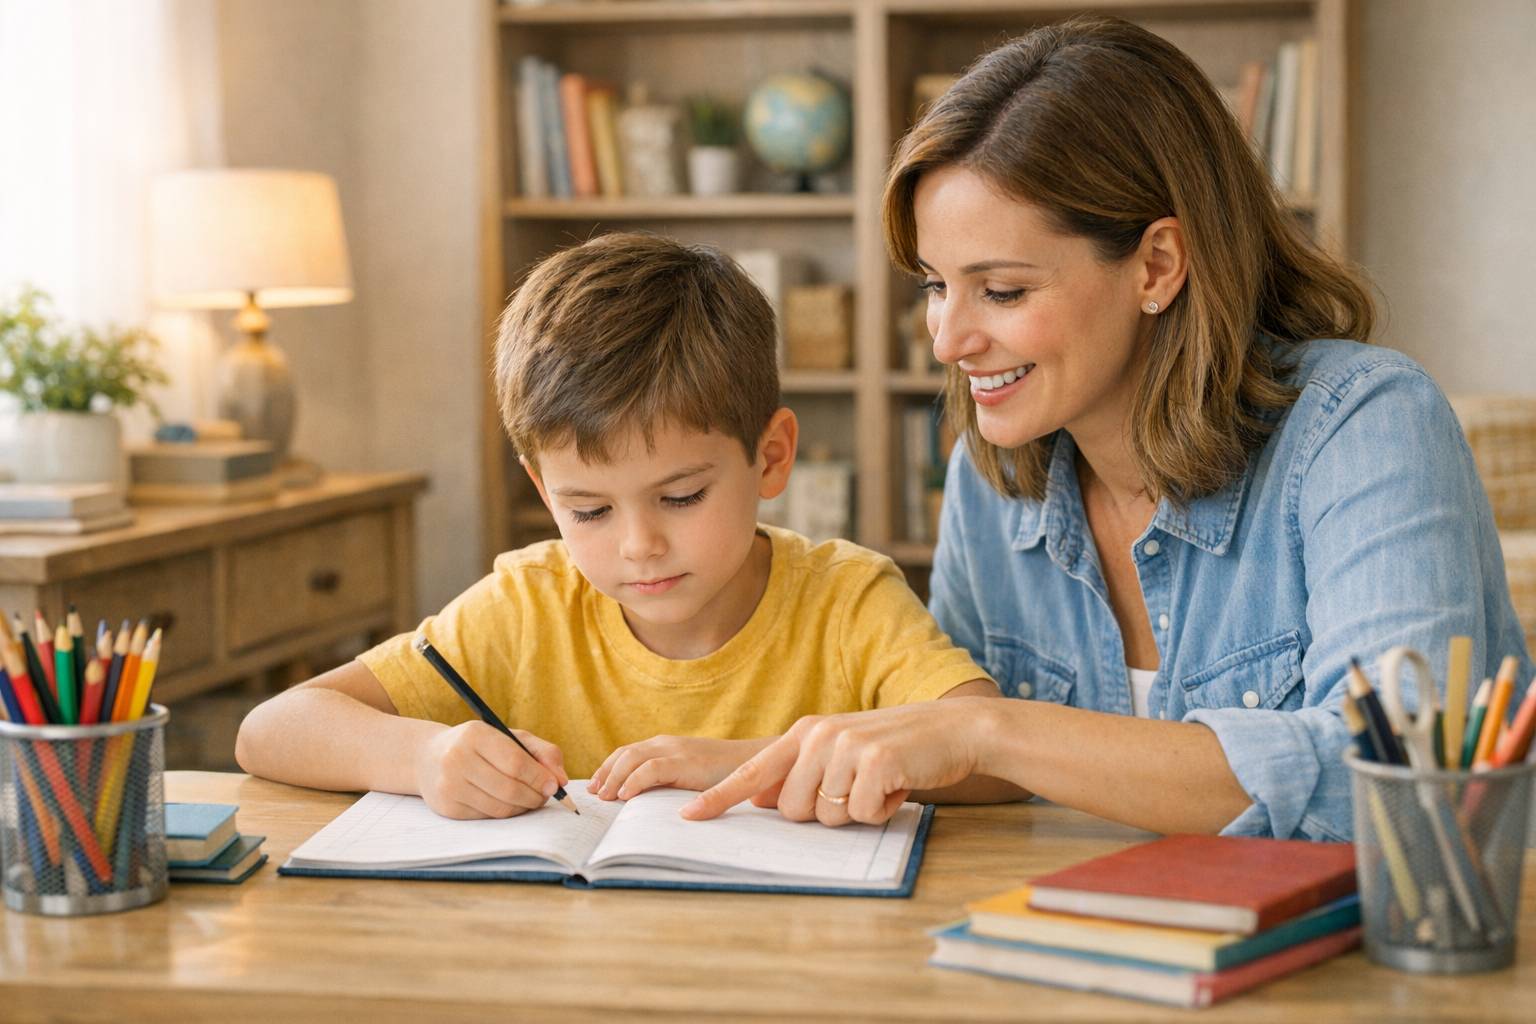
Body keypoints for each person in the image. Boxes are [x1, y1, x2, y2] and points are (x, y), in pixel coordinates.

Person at [680, 15, 1533, 839]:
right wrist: (757, 762)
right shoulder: (990, 476)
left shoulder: (1364, 425)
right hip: (1075, 923)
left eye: (1002, 291)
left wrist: (990, 729)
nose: (946, 339)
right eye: (936, 285)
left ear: (1156, 266)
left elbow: (1393, 776)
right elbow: (961, 762)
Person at [235, 231, 1007, 819]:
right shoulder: (527, 605)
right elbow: (272, 728)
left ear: (771, 457)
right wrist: (424, 755)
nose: (639, 546)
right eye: (590, 510)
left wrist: (750, 764)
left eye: (681, 497)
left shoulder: (847, 601)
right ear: (544, 493)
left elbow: (995, 754)